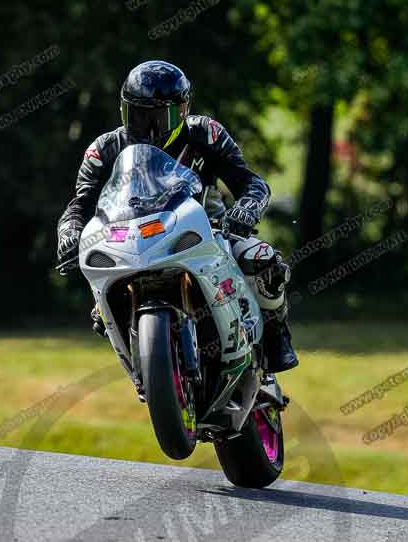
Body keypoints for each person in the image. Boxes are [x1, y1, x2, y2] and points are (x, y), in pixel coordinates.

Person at [57, 60, 298, 372]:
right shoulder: (104, 148)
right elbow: (79, 204)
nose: (149, 127)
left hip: (206, 233)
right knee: (100, 305)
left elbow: (252, 183)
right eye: (138, 115)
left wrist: (245, 210)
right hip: (130, 243)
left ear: (183, 111)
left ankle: (277, 338)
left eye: (159, 117)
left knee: (264, 260)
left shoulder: (206, 134)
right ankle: (147, 360)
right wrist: (69, 232)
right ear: (123, 111)